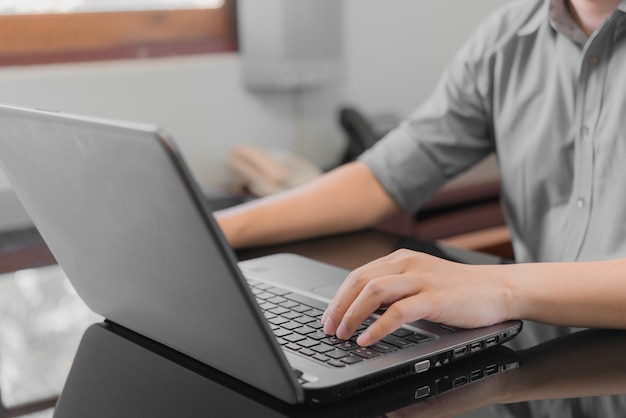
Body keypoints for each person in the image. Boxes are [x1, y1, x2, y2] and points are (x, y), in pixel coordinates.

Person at [215, 0, 626, 347]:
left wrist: (497, 287)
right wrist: (216, 230)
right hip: (547, 358)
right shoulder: (507, 36)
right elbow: (388, 173)